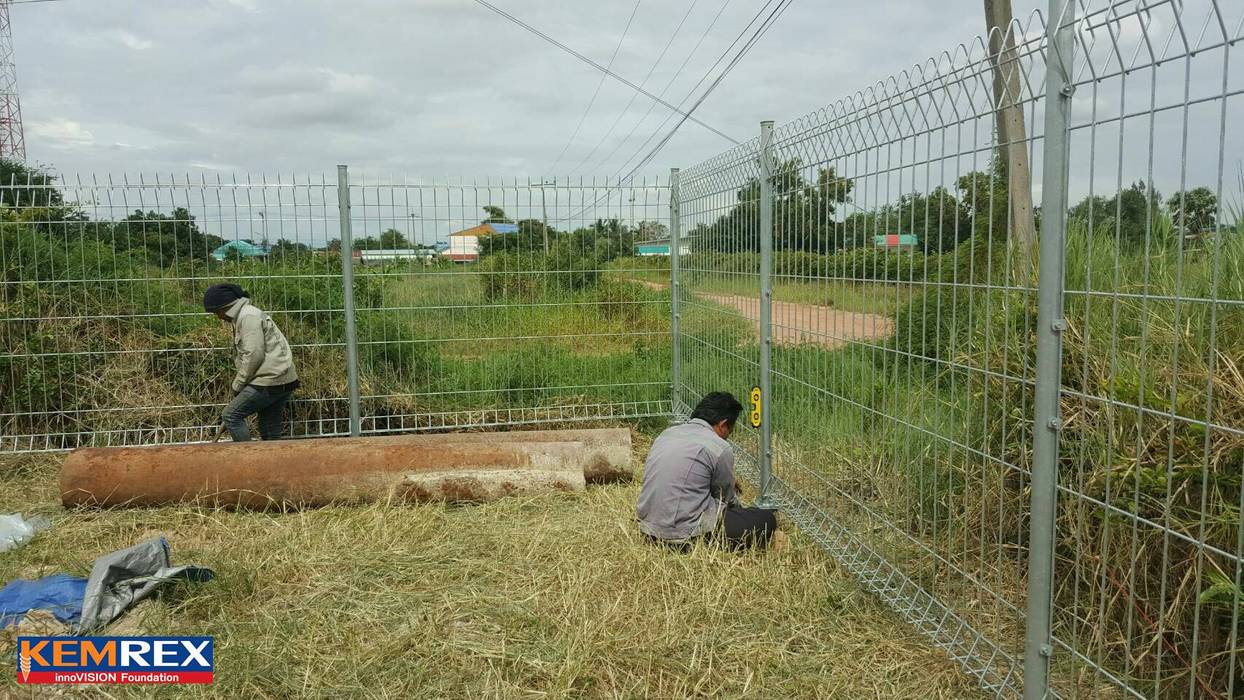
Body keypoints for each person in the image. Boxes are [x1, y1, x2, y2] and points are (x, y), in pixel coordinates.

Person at [636, 391, 783, 550]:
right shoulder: (719, 447)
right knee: (766, 519)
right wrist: (745, 513)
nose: (728, 436)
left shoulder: (667, 434)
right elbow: (726, 499)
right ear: (723, 424)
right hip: (683, 536)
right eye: (730, 431)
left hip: (648, 530)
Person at [203, 283, 300, 442]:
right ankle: (272, 464)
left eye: (216, 312)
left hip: (270, 380)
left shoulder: (247, 317)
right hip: (283, 378)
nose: (218, 317)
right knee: (270, 433)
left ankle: (247, 457)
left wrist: (239, 383)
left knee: (231, 415)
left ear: (225, 306)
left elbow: (254, 355)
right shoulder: (245, 314)